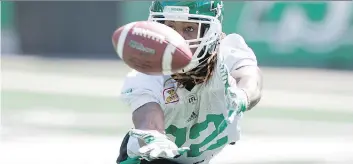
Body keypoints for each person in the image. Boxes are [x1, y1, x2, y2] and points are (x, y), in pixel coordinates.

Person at [116, 1, 263, 164]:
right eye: (170, 28)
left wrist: (243, 96)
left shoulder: (226, 54)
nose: (179, 38)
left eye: (189, 28)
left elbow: (250, 78)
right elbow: (148, 118)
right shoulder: (148, 74)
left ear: (209, 31)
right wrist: (154, 136)